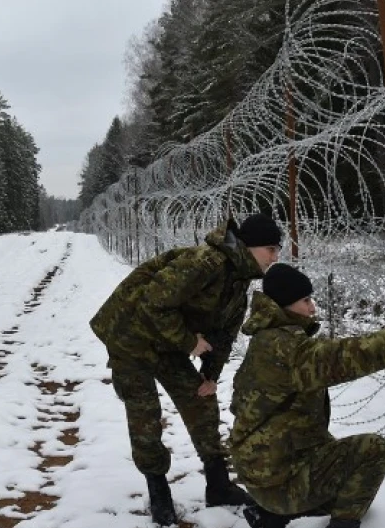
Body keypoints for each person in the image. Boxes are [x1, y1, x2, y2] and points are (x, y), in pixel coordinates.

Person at [230, 263, 385, 528]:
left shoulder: (268, 339)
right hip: (277, 483)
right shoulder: (286, 348)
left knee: (346, 476)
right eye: (305, 300)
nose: (312, 307)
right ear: (285, 304)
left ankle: (270, 515)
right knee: (372, 452)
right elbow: (348, 356)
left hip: (265, 472)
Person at [90, 213, 283, 525]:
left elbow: (225, 335)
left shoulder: (238, 281)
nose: (275, 257)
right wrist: (188, 342)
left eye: (277, 250)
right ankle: (157, 488)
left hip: (167, 340)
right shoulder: (206, 263)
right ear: (249, 247)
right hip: (129, 334)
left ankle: (218, 484)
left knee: (200, 400)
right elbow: (152, 302)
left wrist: (210, 375)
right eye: (271, 249)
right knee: (145, 415)